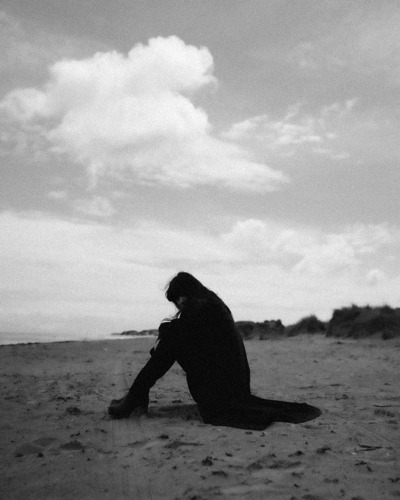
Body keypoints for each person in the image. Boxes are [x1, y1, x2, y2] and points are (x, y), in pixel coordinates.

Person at [108, 272, 321, 430]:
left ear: (188, 293)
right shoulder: (212, 305)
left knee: (172, 337)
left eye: (179, 298)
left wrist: (166, 334)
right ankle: (138, 394)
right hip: (229, 385)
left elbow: (177, 334)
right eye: (176, 302)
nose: (179, 305)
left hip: (223, 391)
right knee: (172, 336)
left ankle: (136, 395)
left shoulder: (206, 309)